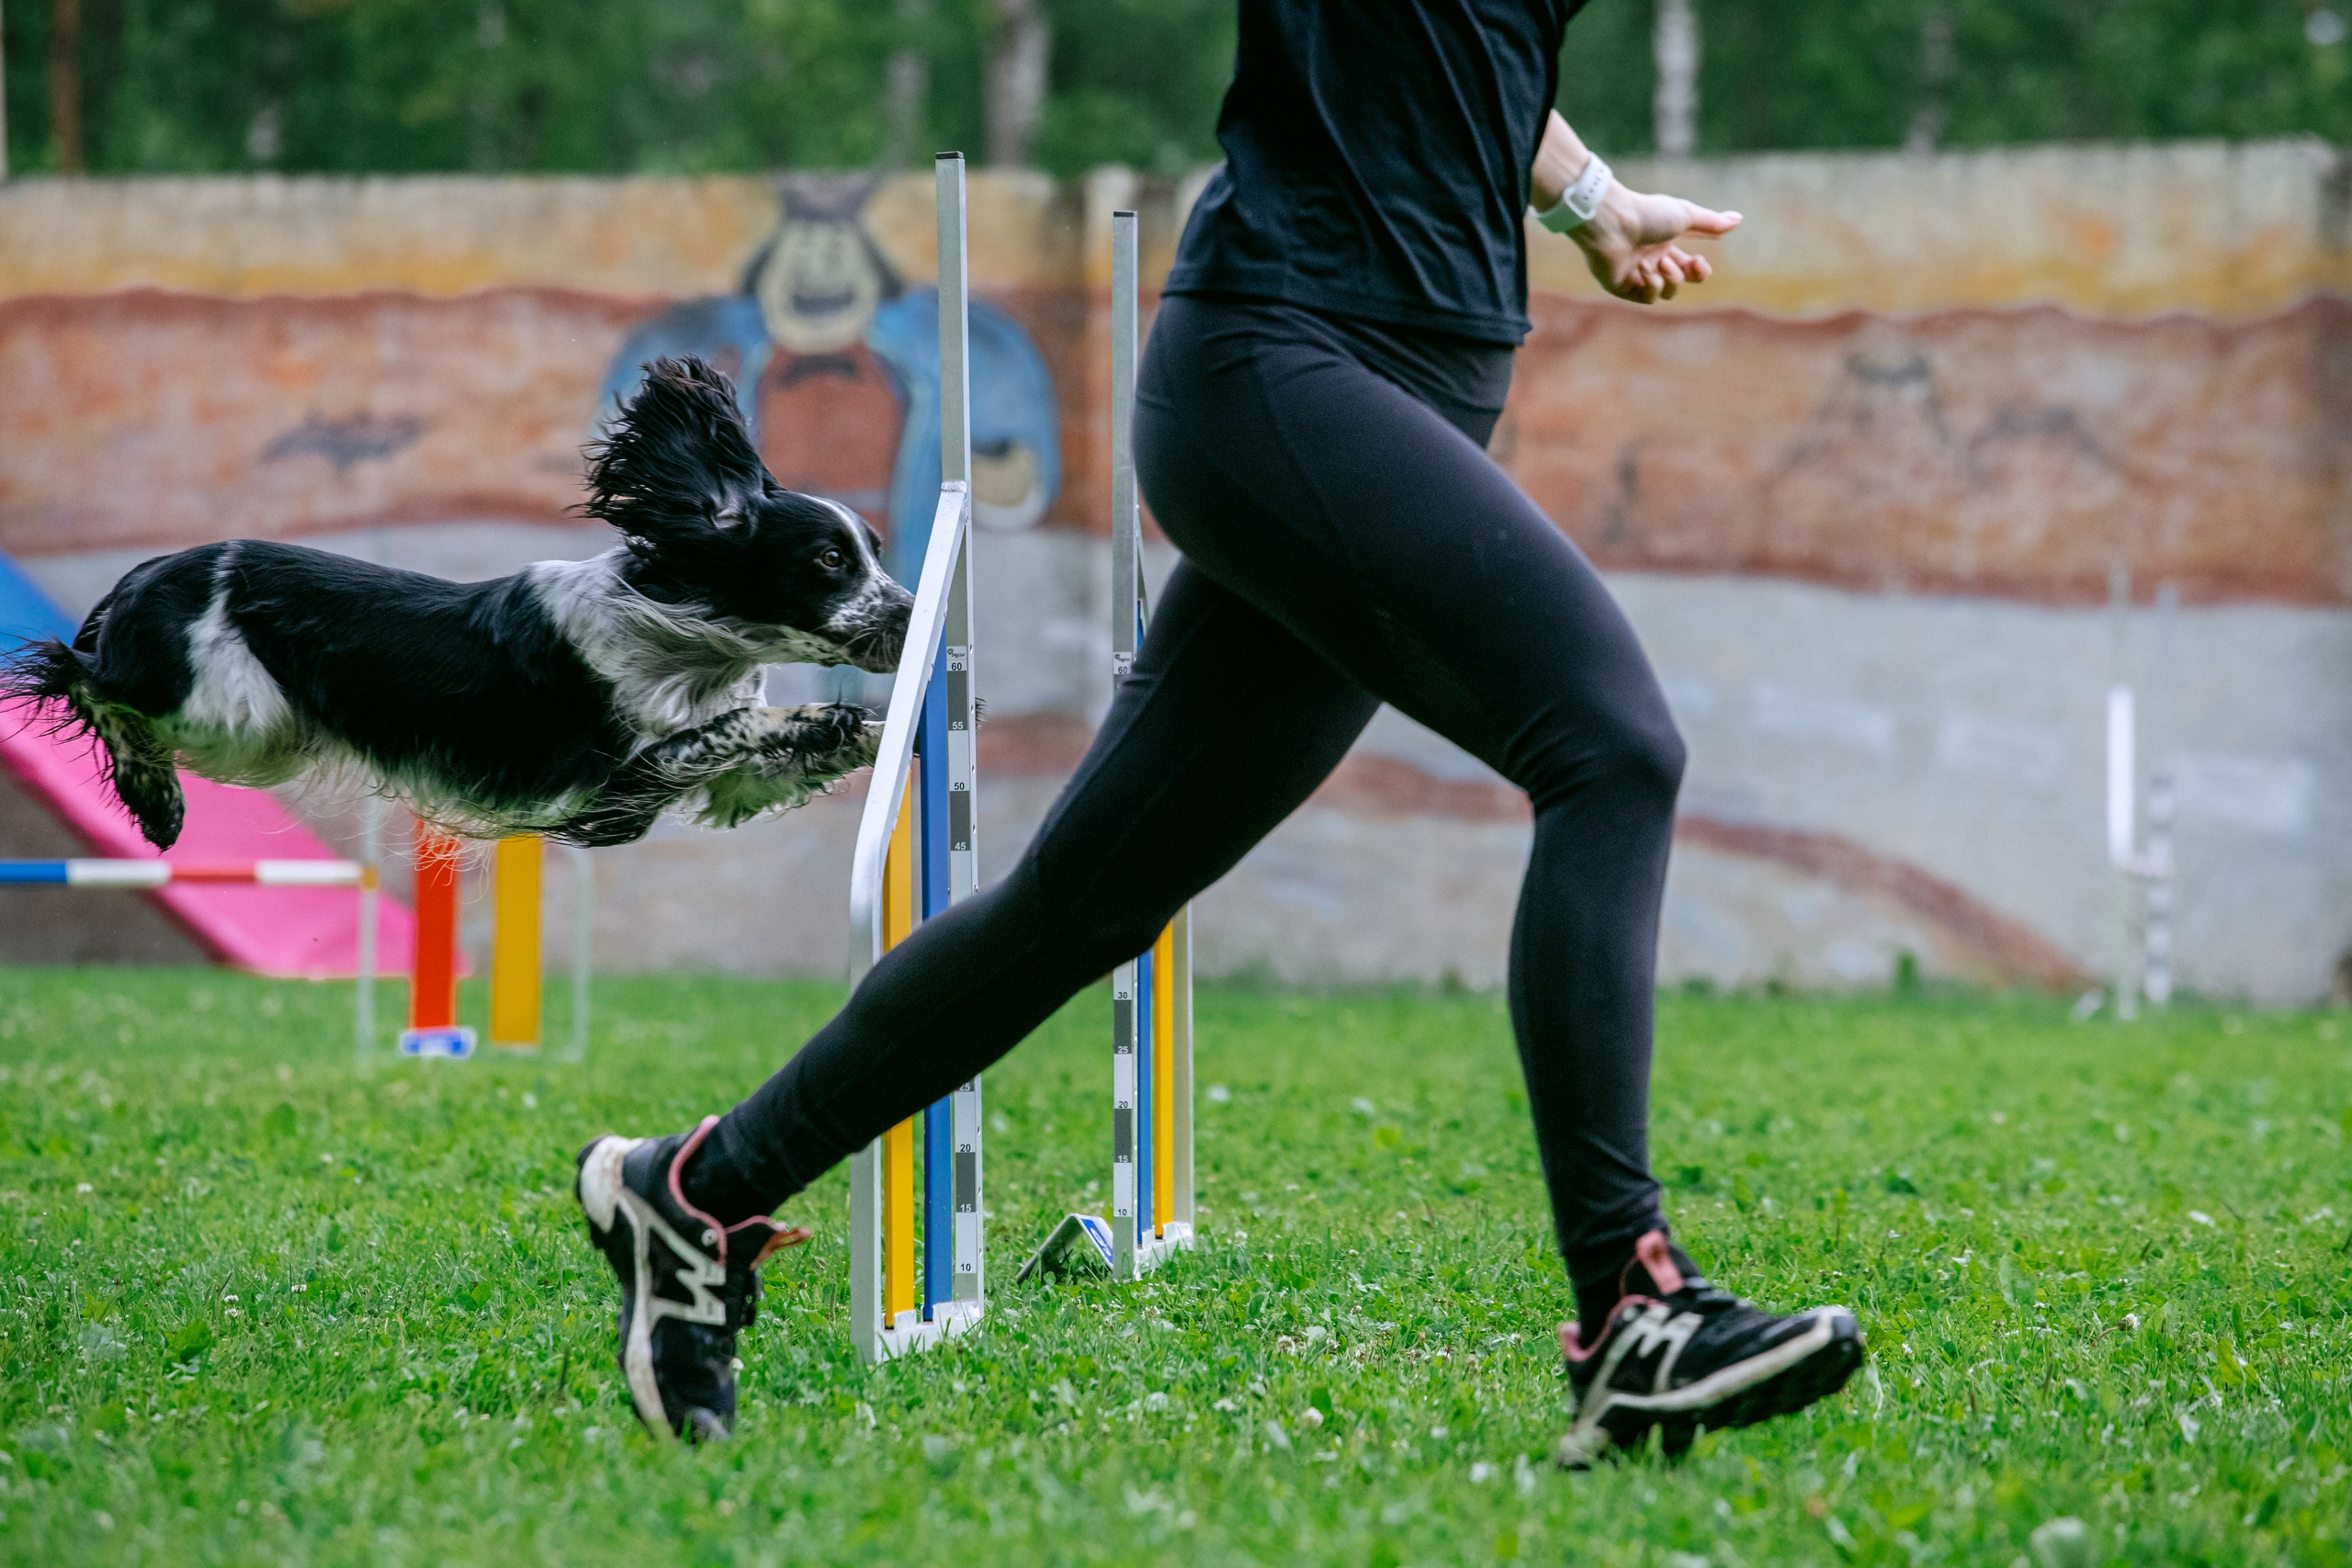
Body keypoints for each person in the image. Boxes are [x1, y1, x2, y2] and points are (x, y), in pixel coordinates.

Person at [571, 0, 1863, 1463]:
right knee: (1612, 751)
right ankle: (1633, 1310)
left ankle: (696, 1193)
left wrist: (1591, 199)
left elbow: (1463, 59)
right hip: (1282, 370)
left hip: (1398, 393)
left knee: (1088, 900)